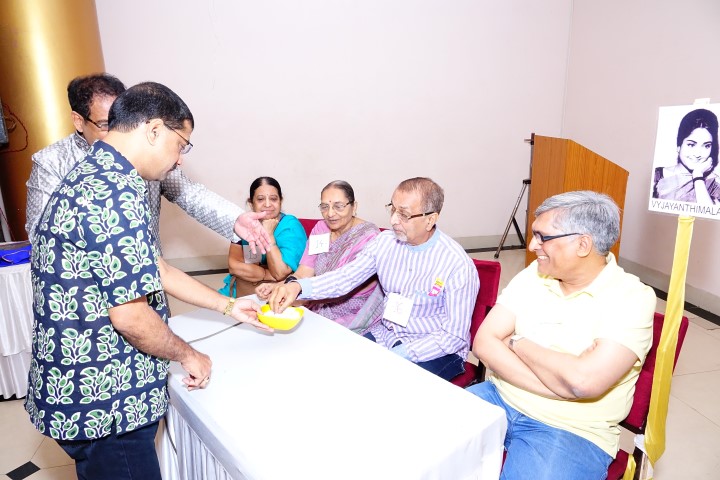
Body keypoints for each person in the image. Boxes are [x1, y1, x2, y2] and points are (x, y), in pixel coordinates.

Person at [24, 82, 272, 480]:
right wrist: (190, 355)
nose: (179, 160)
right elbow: (130, 317)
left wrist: (228, 305)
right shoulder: (113, 192)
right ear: (154, 130)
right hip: (104, 397)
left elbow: (155, 268)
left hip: (82, 388)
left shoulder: (100, 173)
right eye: (181, 145)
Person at [467, 191, 656, 480]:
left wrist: (516, 342)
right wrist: (561, 387)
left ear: (583, 244)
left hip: (572, 429)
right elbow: (484, 342)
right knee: (421, 443)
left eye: (543, 237)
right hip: (498, 395)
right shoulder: (535, 274)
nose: (532, 246)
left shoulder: (632, 297)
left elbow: (583, 381)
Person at [25, 73, 269, 253]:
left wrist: (235, 217)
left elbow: (189, 193)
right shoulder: (52, 162)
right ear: (79, 121)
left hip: (152, 273)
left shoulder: (147, 155)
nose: (118, 131)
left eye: (122, 120)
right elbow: (41, 234)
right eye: (106, 124)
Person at [268, 177, 479, 380]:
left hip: (435, 348)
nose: (393, 220)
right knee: (340, 369)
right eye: (392, 209)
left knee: (384, 385)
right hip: (388, 334)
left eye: (404, 214)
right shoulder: (386, 242)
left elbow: (453, 336)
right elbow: (345, 277)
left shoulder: (456, 264)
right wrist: (298, 287)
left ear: (430, 219)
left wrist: (398, 355)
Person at [256, 180, 383, 334]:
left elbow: (344, 284)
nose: (330, 213)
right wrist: (281, 286)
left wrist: (294, 290)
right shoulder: (321, 228)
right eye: (324, 207)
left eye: (338, 206)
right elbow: (304, 272)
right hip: (314, 298)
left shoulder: (369, 236)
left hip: (351, 310)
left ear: (354, 206)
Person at [219, 176, 307, 297]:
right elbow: (234, 267)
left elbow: (280, 273)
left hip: (280, 292)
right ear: (251, 203)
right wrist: (265, 274)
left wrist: (269, 235)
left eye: (273, 199)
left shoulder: (290, 225)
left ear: (280, 201)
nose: (267, 204)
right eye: (260, 199)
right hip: (242, 288)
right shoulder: (246, 223)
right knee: (211, 304)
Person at [653, 108, 720, 205]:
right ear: (679, 146)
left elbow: (709, 213)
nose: (698, 154)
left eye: (706, 146)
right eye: (691, 145)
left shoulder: (714, 184)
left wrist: (698, 176)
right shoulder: (656, 176)